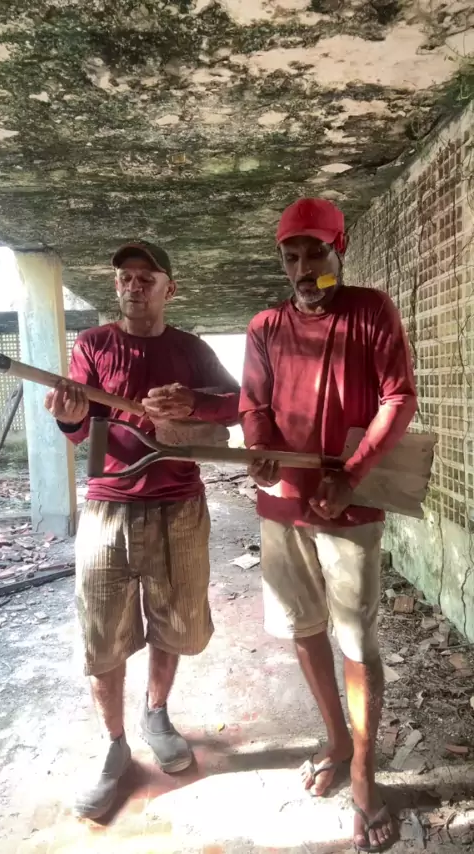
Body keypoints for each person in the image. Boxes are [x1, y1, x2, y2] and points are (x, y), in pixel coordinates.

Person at [239, 198, 417, 853]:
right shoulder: (264, 326)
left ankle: (365, 771)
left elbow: (399, 397)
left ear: (338, 250)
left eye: (315, 252)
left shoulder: (371, 311)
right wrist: (259, 447)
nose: (303, 267)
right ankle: (337, 740)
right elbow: (253, 404)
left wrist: (354, 475)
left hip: (352, 505)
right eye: (291, 256)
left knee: (356, 639)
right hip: (283, 503)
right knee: (303, 627)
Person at [44, 240, 240, 820]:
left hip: (179, 504)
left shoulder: (191, 349)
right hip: (108, 504)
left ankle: (156, 713)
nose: (133, 286)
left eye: (146, 278)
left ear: (168, 290)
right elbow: (82, 429)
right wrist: (70, 418)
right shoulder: (92, 345)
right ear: (117, 287)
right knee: (102, 631)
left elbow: (237, 403)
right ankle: (113, 745)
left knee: (174, 621)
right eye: (125, 278)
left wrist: (194, 402)